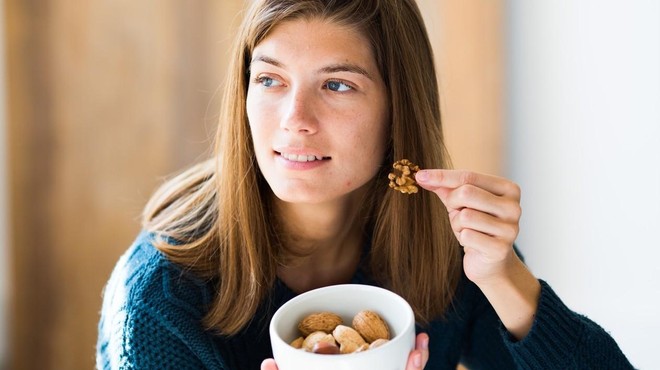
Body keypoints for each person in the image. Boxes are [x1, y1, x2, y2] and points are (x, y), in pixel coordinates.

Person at [96, 0, 635, 369]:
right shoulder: (160, 296)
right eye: (269, 79)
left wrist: (503, 276)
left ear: (398, 108)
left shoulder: (446, 243)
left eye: (336, 84)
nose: (294, 118)